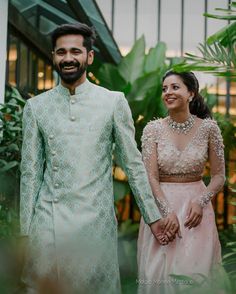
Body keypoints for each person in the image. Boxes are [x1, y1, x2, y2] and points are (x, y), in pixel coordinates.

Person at [19, 23, 178, 294]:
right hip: (48, 222)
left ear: (89, 57)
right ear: (53, 56)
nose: (67, 58)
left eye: (75, 51)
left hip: (95, 223)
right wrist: (25, 232)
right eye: (61, 52)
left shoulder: (113, 101)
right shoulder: (36, 107)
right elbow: (30, 172)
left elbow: (133, 164)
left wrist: (153, 217)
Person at [137, 70, 225, 294]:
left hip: (197, 212)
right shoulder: (152, 130)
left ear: (191, 93)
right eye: (164, 89)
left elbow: (218, 176)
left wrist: (201, 201)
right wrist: (165, 212)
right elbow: (151, 177)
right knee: (159, 274)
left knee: (195, 275)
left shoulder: (209, 129)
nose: (168, 92)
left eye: (175, 87)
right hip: (160, 207)